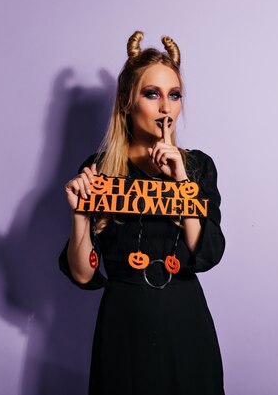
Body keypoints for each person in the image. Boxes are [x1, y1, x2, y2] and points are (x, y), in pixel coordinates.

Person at [59, 30, 226, 395]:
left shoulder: (198, 168)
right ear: (127, 103)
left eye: (174, 95)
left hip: (185, 325)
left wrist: (181, 183)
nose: (166, 108)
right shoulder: (100, 169)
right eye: (152, 94)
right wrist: (79, 214)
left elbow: (207, 255)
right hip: (123, 329)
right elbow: (83, 274)